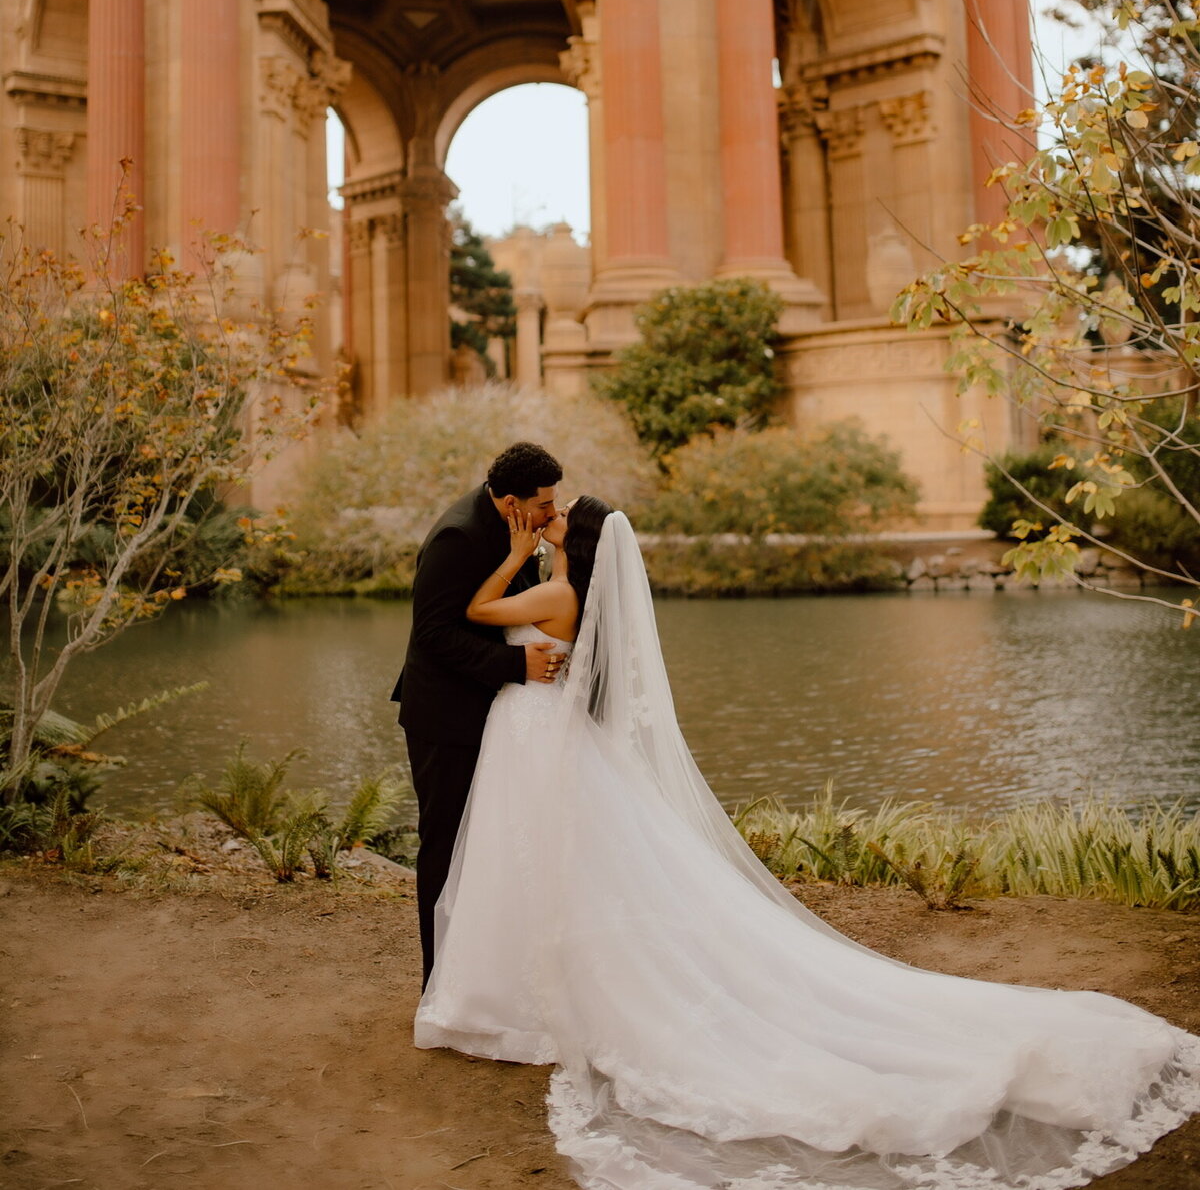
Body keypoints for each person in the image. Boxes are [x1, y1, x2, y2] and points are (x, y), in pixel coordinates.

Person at [415, 504, 1200, 1190]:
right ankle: (530, 993)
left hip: (541, 740)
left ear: (575, 542)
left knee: (551, 870)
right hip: (549, 741)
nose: (546, 519)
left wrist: (521, 554)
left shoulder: (555, 588)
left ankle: (529, 998)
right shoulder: (577, 587)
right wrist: (539, 549)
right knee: (567, 873)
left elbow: (481, 610)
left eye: (557, 516)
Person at [392, 441, 565, 986]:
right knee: (445, 845)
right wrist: (516, 664)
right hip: (445, 717)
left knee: (487, 847)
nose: (549, 515)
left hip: (494, 716)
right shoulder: (458, 537)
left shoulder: (517, 530)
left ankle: (483, 976)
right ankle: (438, 981)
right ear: (511, 500)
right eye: (542, 505)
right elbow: (433, 633)